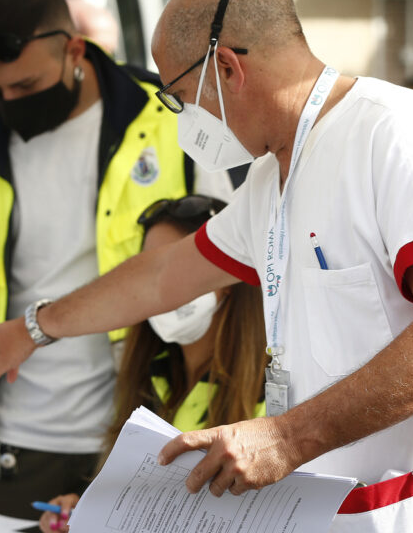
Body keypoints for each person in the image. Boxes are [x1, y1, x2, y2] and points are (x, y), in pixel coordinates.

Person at [0, 0, 413, 531]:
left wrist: (287, 437)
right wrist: (34, 327)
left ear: (227, 67)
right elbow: (162, 276)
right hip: (317, 513)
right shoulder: (270, 178)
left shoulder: (394, 136)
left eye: (178, 98)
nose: (183, 121)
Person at [0, 0, 232, 519]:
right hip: (11, 439)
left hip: (151, 423)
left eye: (25, 85)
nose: (8, 102)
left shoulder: (173, 119)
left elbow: (227, 265)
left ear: (74, 49)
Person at [37, 194, 266, 533]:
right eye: (148, 269)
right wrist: (84, 510)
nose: (160, 286)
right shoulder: (150, 375)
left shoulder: (270, 393)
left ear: (227, 277)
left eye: (176, 269)